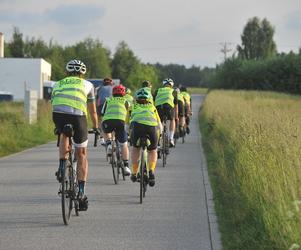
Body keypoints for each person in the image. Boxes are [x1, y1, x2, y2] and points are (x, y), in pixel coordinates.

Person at [51, 59, 99, 211]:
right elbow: (92, 111)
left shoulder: (57, 83)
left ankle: (61, 166)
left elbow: (54, 102)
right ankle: (82, 193)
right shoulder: (88, 85)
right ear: (82, 73)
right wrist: (96, 127)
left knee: (64, 133)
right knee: (81, 153)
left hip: (58, 114)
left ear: (67, 72)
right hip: (78, 117)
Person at [130, 88, 162, 187]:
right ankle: (151, 170)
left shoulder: (133, 106)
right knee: (152, 150)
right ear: (149, 99)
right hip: (151, 129)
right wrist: (160, 135)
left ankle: (134, 172)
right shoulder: (152, 107)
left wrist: (128, 134)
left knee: (135, 149)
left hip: (137, 128)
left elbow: (127, 123)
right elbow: (159, 124)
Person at [100, 84, 131, 175]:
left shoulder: (108, 100)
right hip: (120, 122)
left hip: (108, 121)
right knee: (124, 145)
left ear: (113, 93)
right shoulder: (126, 101)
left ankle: (109, 143)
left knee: (105, 130)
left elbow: (102, 112)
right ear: (124, 93)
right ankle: (126, 166)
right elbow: (129, 114)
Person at [154, 78, 178, 147]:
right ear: (171, 85)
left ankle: (158, 139)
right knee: (172, 119)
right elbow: (176, 106)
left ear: (163, 84)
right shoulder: (173, 91)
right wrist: (176, 117)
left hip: (158, 108)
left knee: (158, 122)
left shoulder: (157, 90)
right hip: (168, 107)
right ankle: (171, 139)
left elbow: (152, 102)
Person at [96, 78, 114, 144]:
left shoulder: (99, 88)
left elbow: (97, 99)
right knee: (111, 119)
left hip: (101, 105)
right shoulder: (113, 88)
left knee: (100, 120)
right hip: (110, 105)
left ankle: (101, 137)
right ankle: (112, 138)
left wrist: (96, 108)